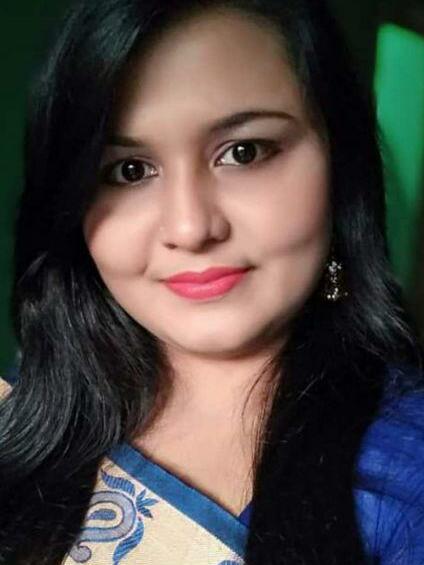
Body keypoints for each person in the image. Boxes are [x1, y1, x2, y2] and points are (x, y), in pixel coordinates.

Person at [0, 0, 423, 563]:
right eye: (129, 171)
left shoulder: (409, 474)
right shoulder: (25, 411)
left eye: (244, 153)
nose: (190, 228)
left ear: (340, 165)